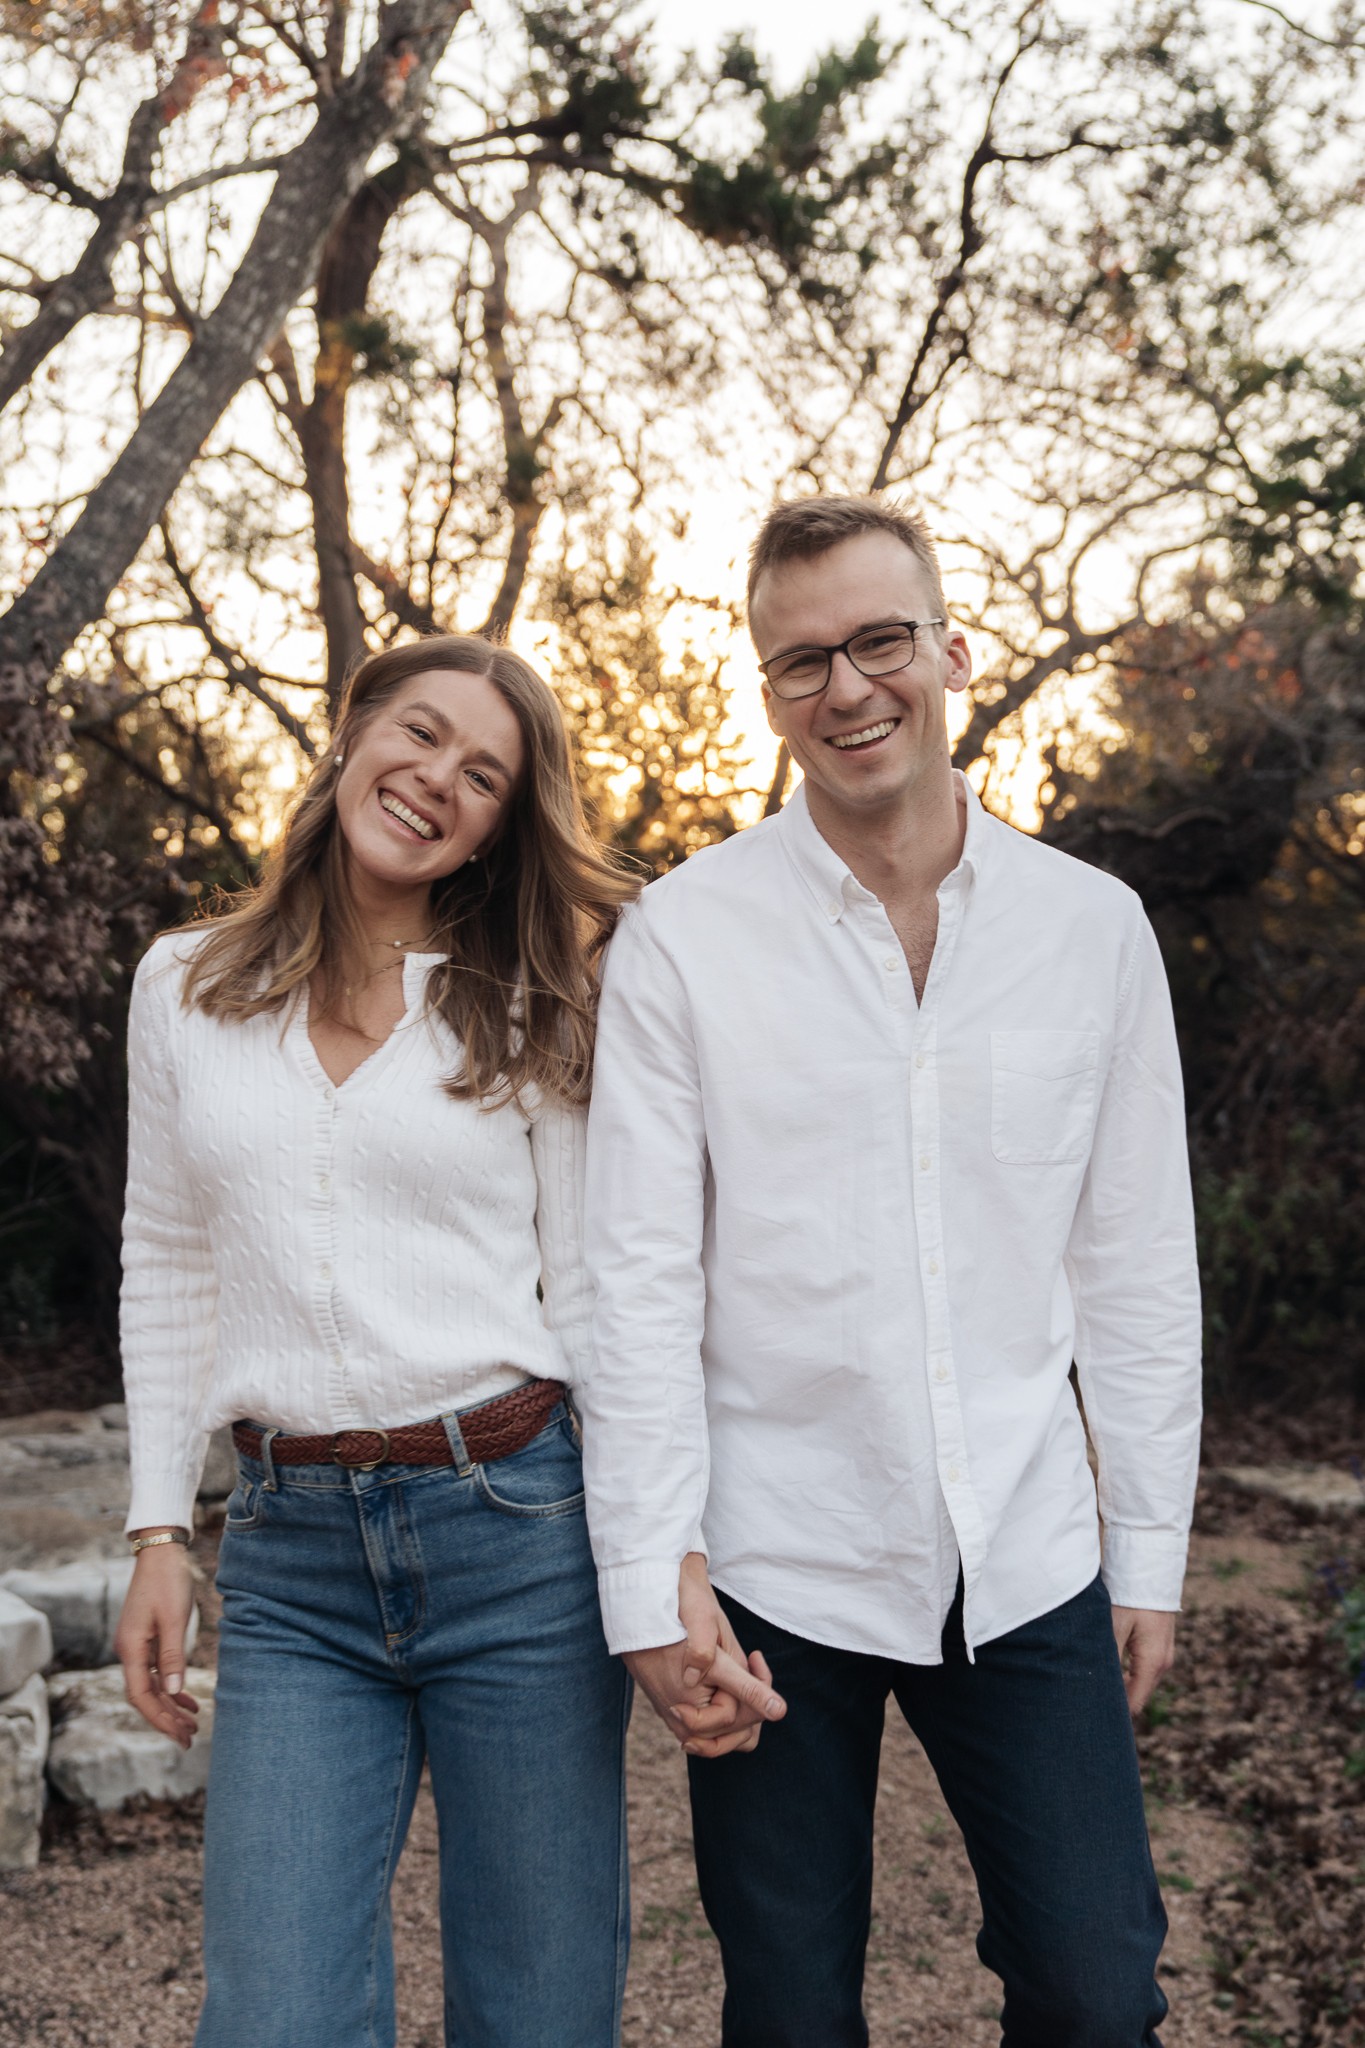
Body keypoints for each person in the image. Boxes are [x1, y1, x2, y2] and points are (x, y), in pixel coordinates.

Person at [578, 496, 1202, 2047]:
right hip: (778, 1562)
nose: (846, 687)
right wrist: (655, 1578)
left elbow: (1131, 1263)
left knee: (1094, 1990)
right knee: (788, 2015)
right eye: (801, 661)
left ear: (949, 652)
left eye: (876, 642)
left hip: (1028, 1545)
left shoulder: (1093, 930)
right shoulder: (681, 938)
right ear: (768, 691)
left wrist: (1148, 1551)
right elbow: (637, 1281)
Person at [114, 633, 637, 2048]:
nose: (435, 782)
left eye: (482, 775)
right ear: (351, 733)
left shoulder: (536, 1001)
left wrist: (656, 1561)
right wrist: (159, 1530)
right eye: (418, 734)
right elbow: (165, 1261)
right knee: (271, 2017)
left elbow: (593, 1293)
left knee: (537, 2012)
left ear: (497, 827)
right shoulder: (181, 986)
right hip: (290, 1560)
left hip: (517, 1530)